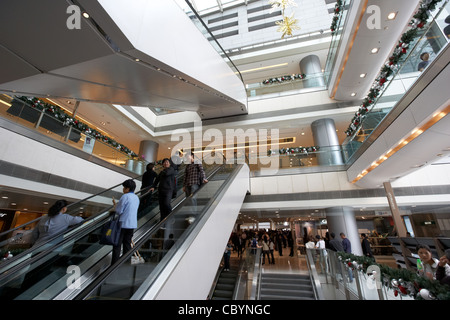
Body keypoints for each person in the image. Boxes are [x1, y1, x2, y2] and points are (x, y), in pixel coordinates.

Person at [111, 179, 139, 264]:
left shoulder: (125, 196)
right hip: (132, 224)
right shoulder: (136, 197)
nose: (123, 189)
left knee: (117, 245)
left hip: (123, 224)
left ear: (128, 188)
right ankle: (126, 264)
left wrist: (115, 207)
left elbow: (119, 211)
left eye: (124, 188)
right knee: (127, 245)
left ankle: (114, 265)